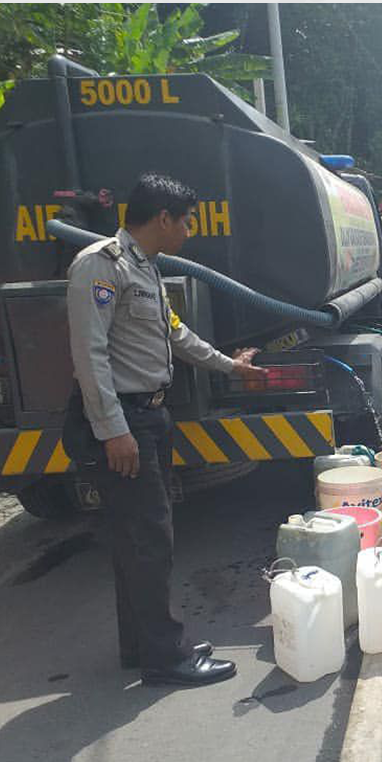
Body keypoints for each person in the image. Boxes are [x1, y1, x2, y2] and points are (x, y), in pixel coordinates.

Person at [63, 173, 264, 685]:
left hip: (149, 416)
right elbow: (90, 356)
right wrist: (113, 431)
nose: (189, 231)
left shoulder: (145, 269)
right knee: (151, 539)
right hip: (126, 421)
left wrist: (229, 366)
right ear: (162, 219)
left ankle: (143, 645)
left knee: (136, 539)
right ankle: (166, 657)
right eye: (186, 221)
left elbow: (177, 335)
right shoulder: (99, 267)